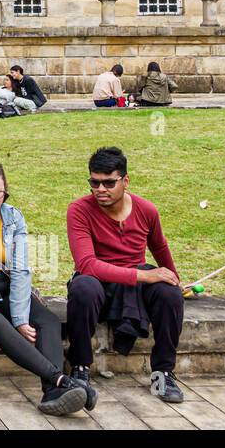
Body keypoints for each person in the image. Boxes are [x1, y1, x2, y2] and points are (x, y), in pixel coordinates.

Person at [0, 159, 87, 416]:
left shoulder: (13, 216)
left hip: (6, 286)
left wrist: (21, 318)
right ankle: (62, 381)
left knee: (49, 321)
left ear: (5, 190)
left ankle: (52, 392)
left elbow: (21, 270)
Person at [66, 147, 184, 404]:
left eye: (109, 182)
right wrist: (145, 276)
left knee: (169, 294)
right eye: (94, 182)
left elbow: (160, 247)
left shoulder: (146, 210)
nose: (100, 189)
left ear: (125, 181)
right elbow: (87, 264)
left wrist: (174, 279)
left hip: (133, 289)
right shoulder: (79, 210)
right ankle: (80, 369)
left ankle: (163, 372)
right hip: (99, 281)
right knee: (82, 288)